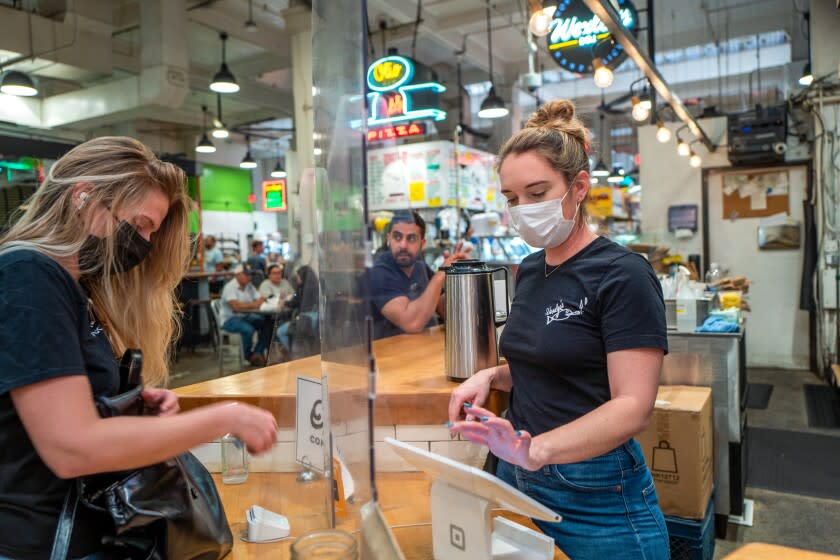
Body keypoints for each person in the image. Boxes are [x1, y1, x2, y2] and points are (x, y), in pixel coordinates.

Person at [0, 136, 278, 560]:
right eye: (141, 224)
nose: (144, 242)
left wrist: (127, 407)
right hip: (42, 542)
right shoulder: (30, 276)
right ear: (83, 196)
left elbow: (62, 410)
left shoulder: (73, 288)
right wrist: (225, 417)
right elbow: (72, 447)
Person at [447, 100, 669, 559]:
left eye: (537, 192)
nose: (522, 209)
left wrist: (538, 450)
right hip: (517, 479)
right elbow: (542, 364)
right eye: (512, 199)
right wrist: (490, 376)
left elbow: (633, 406)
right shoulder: (528, 270)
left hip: (596, 495)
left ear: (579, 186)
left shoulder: (623, 274)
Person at [370, 210, 470, 339]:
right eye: (397, 237)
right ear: (389, 239)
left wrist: (457, 275)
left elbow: (446, 311)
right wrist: (441, 274)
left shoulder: (419, 266)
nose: (403, 245)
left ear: (422, 244)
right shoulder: (379, 272)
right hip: (387, 354)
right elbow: (411, 323)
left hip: (418, 347)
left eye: (411, 238)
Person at [219, 263, 269, 366]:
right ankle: (248, 356)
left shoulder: (249, 286)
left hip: (245, 316)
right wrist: (254, 304)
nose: (249, 277)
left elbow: (261, 298)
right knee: (248, 329)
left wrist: (252, 304)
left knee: (268, 324)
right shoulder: (230, 287)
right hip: (230, 319)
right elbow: (236, 307)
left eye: (250, 274)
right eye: (246, 274)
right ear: (237, 275)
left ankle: (257, 353)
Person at [275, 265, 320, 357]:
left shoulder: (303, 289)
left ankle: (294, 352)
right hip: (316, 321)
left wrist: (284, 303)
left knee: (280, 331)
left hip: (305, 321)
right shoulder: (317, 288)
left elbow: (294, 302)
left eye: (298, 276)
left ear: (303, 276)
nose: (297, 278)